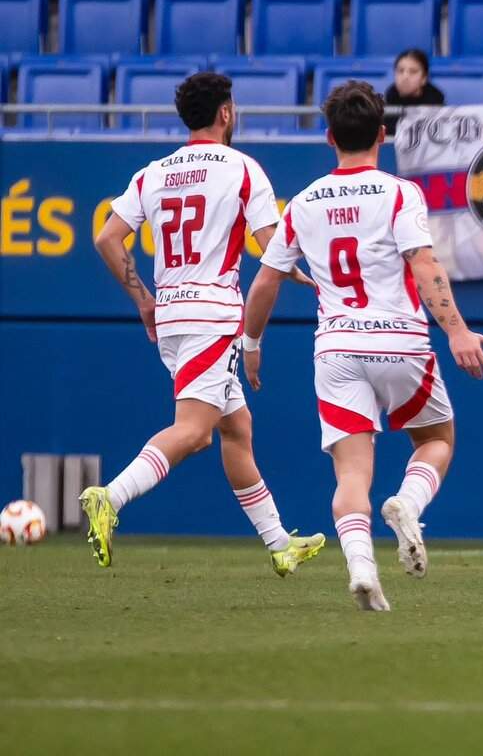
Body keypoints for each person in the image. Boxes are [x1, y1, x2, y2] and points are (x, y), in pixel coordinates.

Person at [243, 81, 483, 612]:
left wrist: (251, 342)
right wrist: (456, 331)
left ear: (329, 136)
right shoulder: (400, 193)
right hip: (399, 341)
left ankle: (362, 569)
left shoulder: (305, 201)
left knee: (351, 471)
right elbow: (423, 264)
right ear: (383, 133)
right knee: (436, 441)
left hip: (336, 347)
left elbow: (266, 281)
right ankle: (407, 502)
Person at [82, 73, 325, 576]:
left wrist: (143, 301)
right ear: (226, 113)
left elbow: (108, 238)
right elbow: (271, 244)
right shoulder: (241, 169)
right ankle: (110, 497)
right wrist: (302, 271)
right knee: (193, 433)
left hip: (171, 316)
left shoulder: (155, 172)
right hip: (213, 316)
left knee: (237, 428)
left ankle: (280, 544)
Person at [383, 48, 445, 138]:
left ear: (424, 78)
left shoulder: (437, 106)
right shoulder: (386, 107)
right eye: (400, 71)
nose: (405, 77)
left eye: (413, 72)